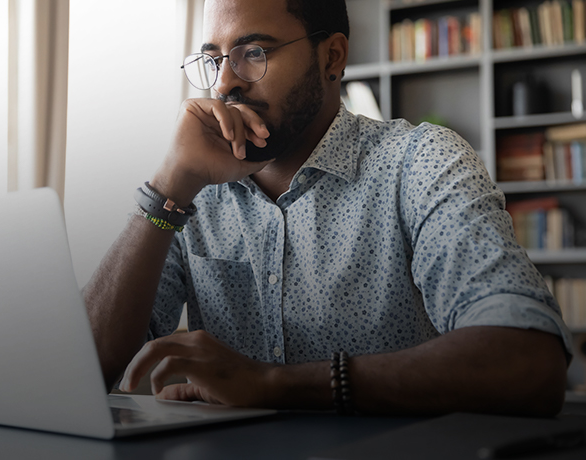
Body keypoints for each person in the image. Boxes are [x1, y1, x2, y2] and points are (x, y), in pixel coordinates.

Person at [83, 0, 572, 416]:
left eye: (253, 53)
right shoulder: (193, 190)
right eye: (214, 60)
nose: (225, 83)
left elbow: (527, 358)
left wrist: (277, 385)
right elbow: (81, 369)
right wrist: (168, 186)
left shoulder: (418, 163)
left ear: (332, 56)